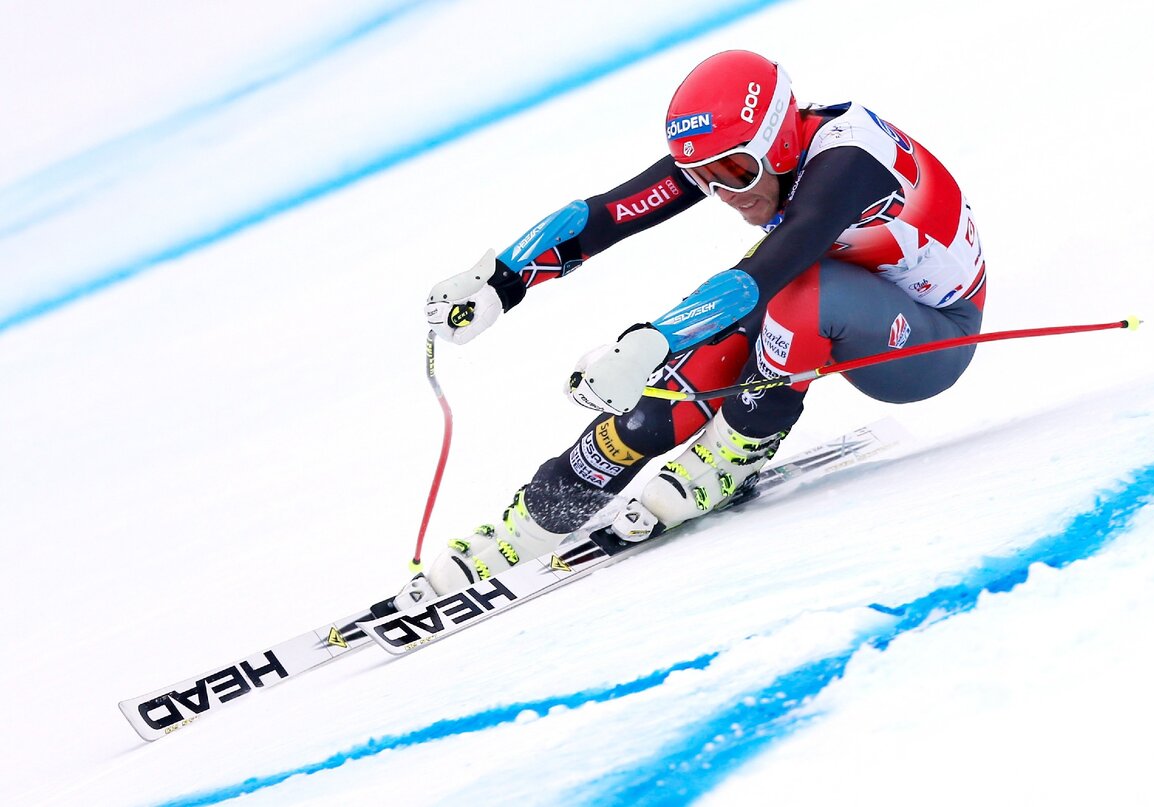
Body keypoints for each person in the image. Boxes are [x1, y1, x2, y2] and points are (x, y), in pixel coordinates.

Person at [402, 49, 987, 603]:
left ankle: (732, 453)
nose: (724, 192)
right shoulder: (743, 152)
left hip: (929, 340)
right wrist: (503, 279)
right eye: (703, 176)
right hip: (828, 297)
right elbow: (609, 212)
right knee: (660, 397)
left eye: (734, 171)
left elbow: (768, 268)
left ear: (779, 143)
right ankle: (534, 524)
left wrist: (647, 339)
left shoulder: (850, 160)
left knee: (795, 292)